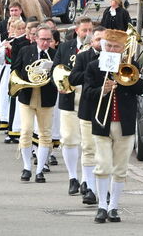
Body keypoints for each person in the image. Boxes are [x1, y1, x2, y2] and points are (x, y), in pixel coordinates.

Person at [81, 29, 143, 223]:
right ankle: (101, 206)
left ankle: (114, 207)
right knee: (103, 165)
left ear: (122, 48)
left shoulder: (131, 65)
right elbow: (87, 93)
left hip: (124, 124)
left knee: (120, 168)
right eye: (108, 45)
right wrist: (103, 89)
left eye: (116, 46)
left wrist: (126, 79)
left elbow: (140, 89)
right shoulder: (94, 66)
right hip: (102, 122)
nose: (111, 49)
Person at [11, 24, 57, 183]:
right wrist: (28, 77)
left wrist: (50, 75)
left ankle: (39, 171)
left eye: (48, 40)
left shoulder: (54, 54)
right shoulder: (26, 51)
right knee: (26, 130)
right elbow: (15, 69)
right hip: (27, 96)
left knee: (45, 133)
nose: (45, 43)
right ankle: (26, 167)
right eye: (43, 39)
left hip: (46, 98)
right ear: (35, 38)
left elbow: (58, 78)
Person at [52, 16, 92, 195]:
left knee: (87, 142)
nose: (88, 34)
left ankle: (85, 180)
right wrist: (59, 85)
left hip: (89, 99)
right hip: (68, 98)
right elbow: (55, 69)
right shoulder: (65, 47)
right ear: (77, 30)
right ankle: (72, 178)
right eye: (85, 30)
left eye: (90, 30)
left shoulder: (95, 49)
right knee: (68, 139)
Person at [69, 25, 104, 204]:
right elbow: (73, 79)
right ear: (91, 42)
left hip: (107, 110)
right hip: (88, 108)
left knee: (104, 153)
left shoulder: (114, 58)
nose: (101, 43)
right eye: (97, 39)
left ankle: (103, 188)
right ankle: (90, 188)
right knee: (89, 149)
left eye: (104, 39)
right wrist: (90, 73)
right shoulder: (83, 57)